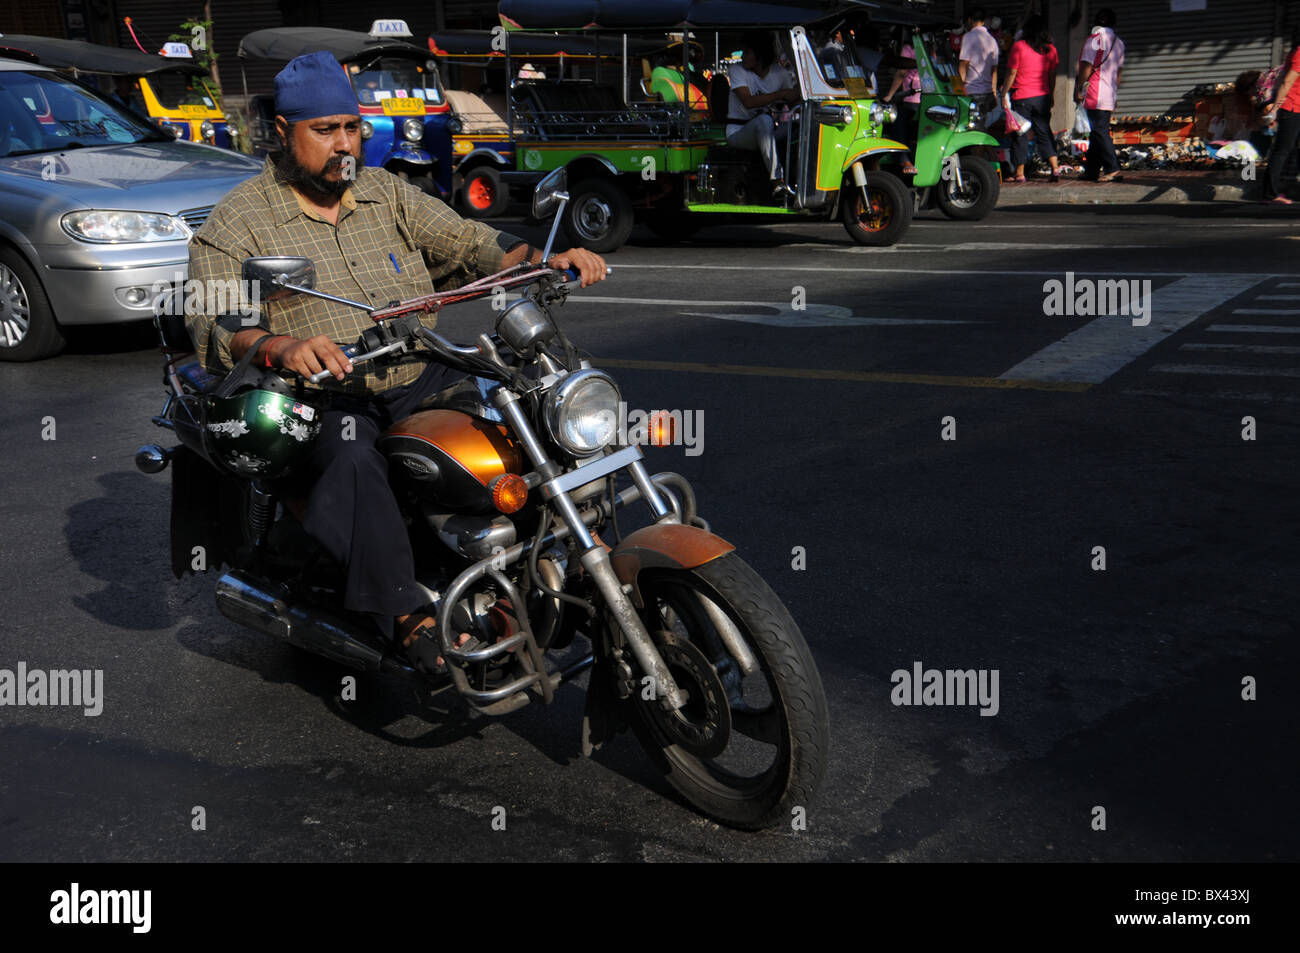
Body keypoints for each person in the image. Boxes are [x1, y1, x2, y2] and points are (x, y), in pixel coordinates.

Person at [186, 51, 607, 672]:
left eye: (351, 127)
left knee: (530, 406)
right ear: (283, 132)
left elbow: (466, 241)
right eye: (324, 131)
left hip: (417, 368)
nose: (343, 145)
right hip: (327, 394)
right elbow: (214, 320)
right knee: (353, 458)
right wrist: (281, 346)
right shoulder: (239, 220)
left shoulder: (385, 192)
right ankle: (406, 612)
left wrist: (540, 257)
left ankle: (544, 556)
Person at [726, 34, 800, 196]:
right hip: (738, 132)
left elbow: (793, 102)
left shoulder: (780, 73)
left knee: (797, 127)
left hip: (768, 130)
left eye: (747, 52)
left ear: (760, 56)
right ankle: (777, 182)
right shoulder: (736, 70)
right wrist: (781, 94)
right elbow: (748, 102)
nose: (743, 57)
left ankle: (802, 179)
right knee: (764, 121)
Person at [1006, 15, 1060, 183]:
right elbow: (1052, 76)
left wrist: (1004, 92)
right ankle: (1055, 168)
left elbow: (1012, 72)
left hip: (1022, 97)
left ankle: (1020, 173)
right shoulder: (1050, 49)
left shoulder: (1019, 46)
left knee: (1020, 134)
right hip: (1042, 97)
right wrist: (1051, 95)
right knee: (1044, 131)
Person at [1074, 8, 1126, 183]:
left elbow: (1086, 67)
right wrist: (1115, 94)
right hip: (1109, 93)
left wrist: (1079, 89)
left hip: (1095, 92)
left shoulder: (1095, 40)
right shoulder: (1119, 42)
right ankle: (1092, 170)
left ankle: (1112, 168)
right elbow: (1118, 73)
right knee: (1098, 132)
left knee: (1099, 131)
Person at [1262, 38, 1300, 204]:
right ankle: (1270, 194)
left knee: (1290, 150)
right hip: (1292, 108)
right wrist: (1276, 108)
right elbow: (1287, 81)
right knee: (1282, 150)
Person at [884, 42, 921, 175]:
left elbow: (901, 73)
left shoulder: (914, 47)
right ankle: (905, 160)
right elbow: (901, 72)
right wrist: (891, 95)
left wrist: (890, 95)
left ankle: (905, 159)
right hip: (918, 97)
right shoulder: (921, 47)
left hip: (918, 98)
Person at [958, 7, 999, 125]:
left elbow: (963, 65)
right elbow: (994, 71)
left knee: (969, 128)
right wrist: (994, 94)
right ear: (984, 20)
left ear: (970, 20)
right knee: (980, 127)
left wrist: (960, 88)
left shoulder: (968, 37)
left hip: (971, 92)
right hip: (986, 93)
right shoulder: (992, 40)